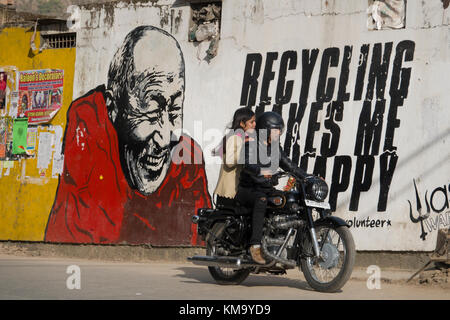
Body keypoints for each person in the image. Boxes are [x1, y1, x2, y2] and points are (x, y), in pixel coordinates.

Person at [45, 26, 211, 246]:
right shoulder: (89, 135)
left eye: (174, 110)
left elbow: (200, 243)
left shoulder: (187, 162)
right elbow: (82, 237)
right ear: (113, 109)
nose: (164, 138)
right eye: (151, 112)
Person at [235, 111, 309, 264]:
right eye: (275, 130)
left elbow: (289, 165)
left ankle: (277, 242)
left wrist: (308, 177)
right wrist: (261, 171)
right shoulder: (251, 143)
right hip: (249, 189)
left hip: (266, 188)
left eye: (279, 130)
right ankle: (255, 246)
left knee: (287, 201)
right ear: (265, 130)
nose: (278, 133)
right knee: (261, 200)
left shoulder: (275, 147)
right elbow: (248, 164)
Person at [213, 107, 255, 207]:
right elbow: (230, 161)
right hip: (229, 191)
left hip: (237, 190)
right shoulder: (235, 137)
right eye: (251, 122)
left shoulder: (241, 137)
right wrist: (244, 150)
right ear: (242, 123)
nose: (254, 125)